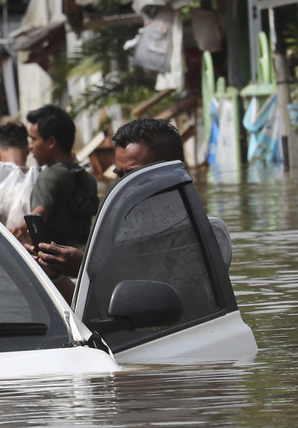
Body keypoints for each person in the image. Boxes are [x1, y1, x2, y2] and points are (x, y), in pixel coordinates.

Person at [34, 117, 231, 297]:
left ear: (174, 172)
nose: (124, 185)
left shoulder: (209, 234)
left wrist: (86, 269)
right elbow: (90, 313)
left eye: (135, 175)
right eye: (120, 175)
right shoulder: (116, 234)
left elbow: (171, 301)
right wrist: (53, 274)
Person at [21, 104, 98, 248]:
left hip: (53, 264)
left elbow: (38, 215)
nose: (30, 146)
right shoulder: (88, 178)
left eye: (33, 139)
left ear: (51, 142)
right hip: (81, 261)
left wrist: (18, 231)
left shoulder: (48, 177)